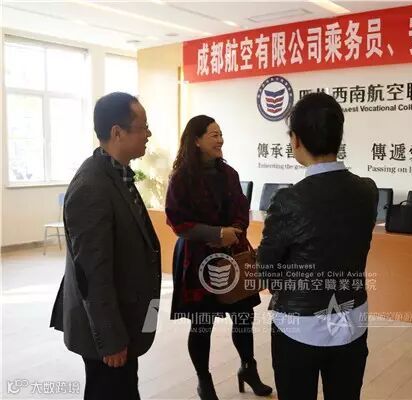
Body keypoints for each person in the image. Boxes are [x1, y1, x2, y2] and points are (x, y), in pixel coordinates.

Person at [257, 92, 379, 400]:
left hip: (297, 326)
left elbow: (265, 269)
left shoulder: (288, 200)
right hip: (351, 318)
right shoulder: (367, 191)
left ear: (296, 140)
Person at [50, 92, 161, 400]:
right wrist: (110, 338)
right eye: (143, 127)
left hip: (125, 317)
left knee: (124, 389)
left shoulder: (116, 174)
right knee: (109, 390)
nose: (149, 134)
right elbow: (92, 273)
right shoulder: (92, 186)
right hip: (106, 330)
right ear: (117, 132)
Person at [165, 115, 272, 400]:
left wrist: (232, 232)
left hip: (233, 252)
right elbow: (177, 222)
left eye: (221, 134)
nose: (220, 140)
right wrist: (215, 234)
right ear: (196, 140)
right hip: (197, 258)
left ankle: (248, 368)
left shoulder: (230, 174)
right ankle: (204, 381)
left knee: (243, 316)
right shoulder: (181, 178)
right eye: (214, 135)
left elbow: (241, 211)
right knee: (202, 323)